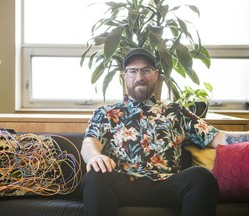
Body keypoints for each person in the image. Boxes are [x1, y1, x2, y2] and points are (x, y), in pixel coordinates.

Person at [80, 48, 249, 216]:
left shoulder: (176, 112)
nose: (140, 77)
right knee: (95, 176)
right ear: (124, 76)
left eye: (146, 70)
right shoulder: (106, 113)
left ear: (156, 74)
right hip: (122, 183)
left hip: (167, 185)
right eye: (133, 71)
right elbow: (89, 142)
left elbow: (218, 137)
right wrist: (95, 156)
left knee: (202, 177)